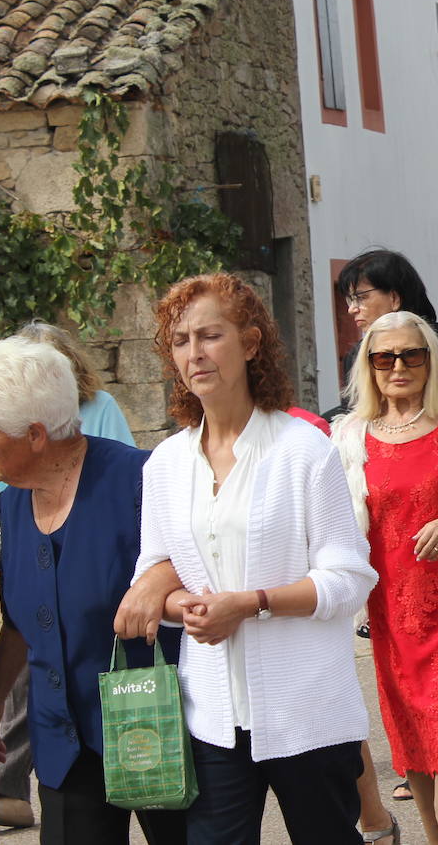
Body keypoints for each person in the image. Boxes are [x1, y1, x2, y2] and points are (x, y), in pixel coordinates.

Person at [130, 273, 378, 843]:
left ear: (249, 343)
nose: (194, 353)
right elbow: (155, 571)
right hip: (212, 716)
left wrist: (251, 604)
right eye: (180, 340)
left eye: (210, 335)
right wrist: (181, 605)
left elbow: (349, 580)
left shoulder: (303, 450)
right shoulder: (165, 465)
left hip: (308, 712)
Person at [0, 337, 186, 844]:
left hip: (157, 728)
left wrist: (163, 578)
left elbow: (203, 569)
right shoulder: (12, 504)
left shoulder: (141, 479)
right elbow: (20, 619)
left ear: (34, 434)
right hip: (64, 743)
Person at [331, 311, 438, 845]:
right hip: (390, 618)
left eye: (411, 355)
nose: (398, 366)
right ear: (369, 367)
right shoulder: (349, 439)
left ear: (430, 360)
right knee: (414, 747)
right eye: (384, 357)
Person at [338, 248, 438, 427]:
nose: (352, 309)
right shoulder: (356, 355)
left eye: (361, 297)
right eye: (350, 300)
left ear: (394, 297)